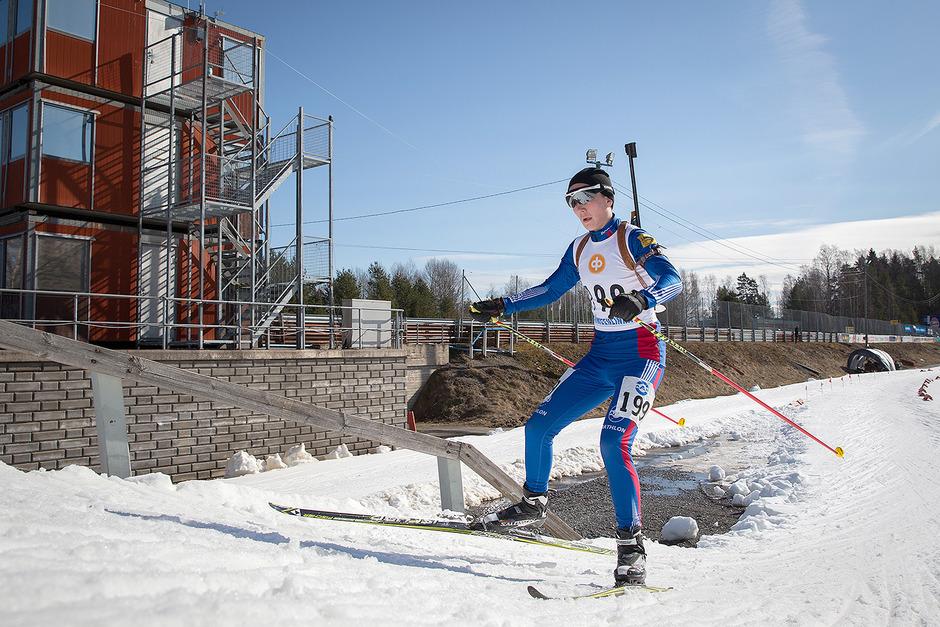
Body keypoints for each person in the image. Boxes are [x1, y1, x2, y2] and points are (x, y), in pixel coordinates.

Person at [468, 166, 682, 586]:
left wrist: (643, 298)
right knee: (538, 426)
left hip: (642, 355)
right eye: (571, 202)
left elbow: (672, 279)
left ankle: (631, 546)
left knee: (613, 441)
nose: (579, 207)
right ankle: (533, 502)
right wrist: (504, 305)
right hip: (600, 356)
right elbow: (551, 289)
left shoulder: (632, 238)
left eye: (585, 198)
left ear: (608, 199)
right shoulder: (580, 248)